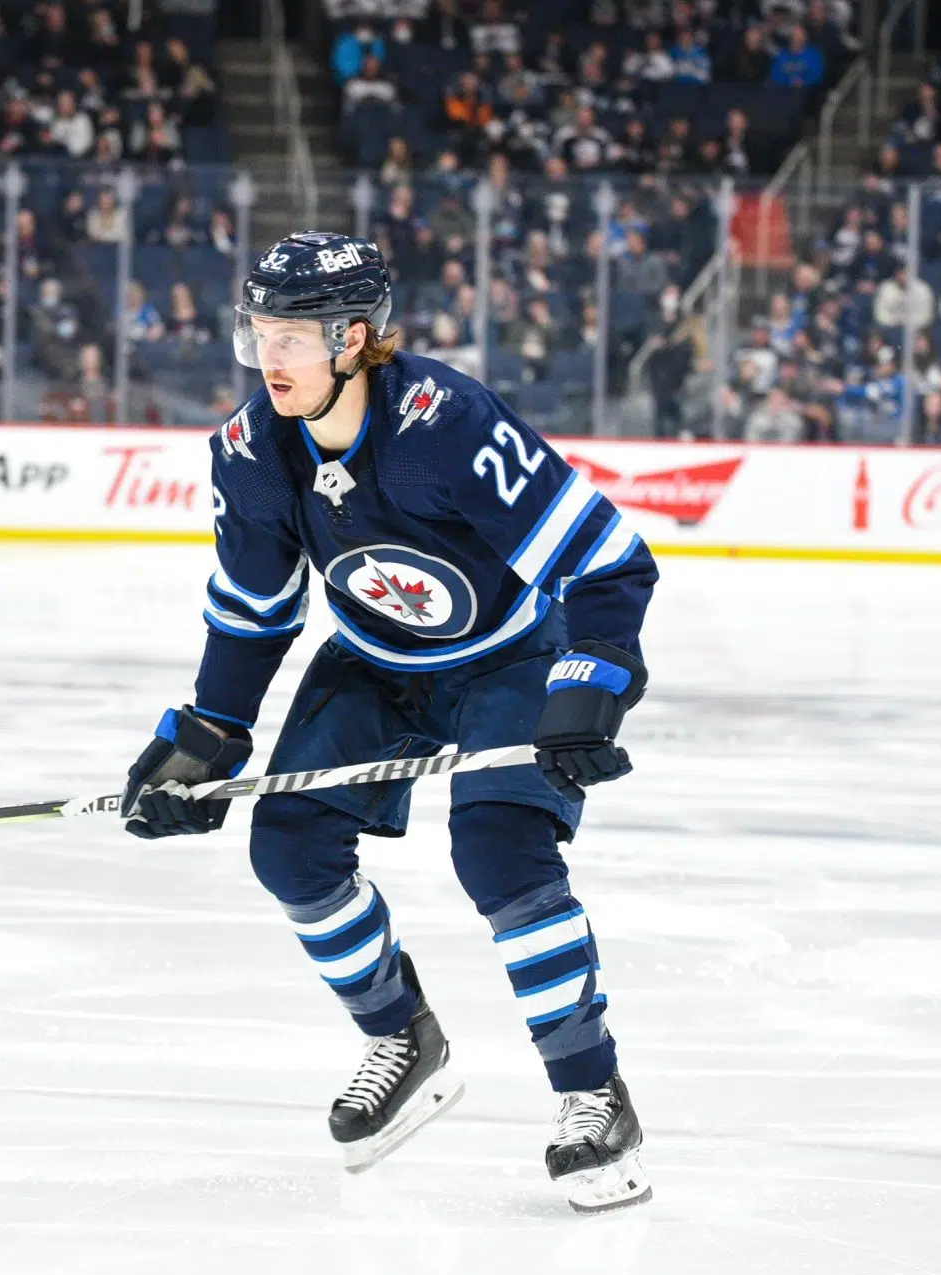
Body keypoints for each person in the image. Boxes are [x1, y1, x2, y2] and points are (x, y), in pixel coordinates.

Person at [119, 232, 658, 1214]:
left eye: (291, 337)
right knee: (287, 847)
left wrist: (590, 679)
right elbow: (252, 611)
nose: (268, 357)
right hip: (375, 663)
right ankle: (402, 1035)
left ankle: (593, 1094)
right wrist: (208, 733)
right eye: (258, 333)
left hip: (507, 657)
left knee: (500, 851)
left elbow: (606, 558)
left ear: (353, 337)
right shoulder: (252, 451)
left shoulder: (444, 423)